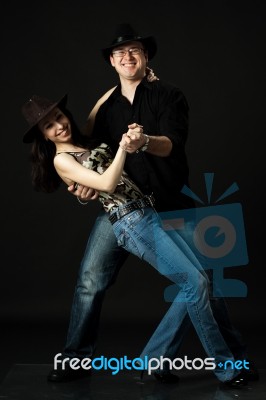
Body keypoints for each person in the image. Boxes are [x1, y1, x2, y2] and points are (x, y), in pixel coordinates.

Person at [29, 23, 258, 384]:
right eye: (119, 54)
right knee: (91, 280)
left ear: (146, 56)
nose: (127, 57)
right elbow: (89, 158)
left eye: (134, 51)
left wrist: (144, 142)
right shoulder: (106, 113)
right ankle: (75, 359)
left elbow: (171, 145)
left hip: (170, 201)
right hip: (126, 212)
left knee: (203, 280)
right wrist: (81, 187)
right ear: (112, 62)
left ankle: (211, 359)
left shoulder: (169, 95)